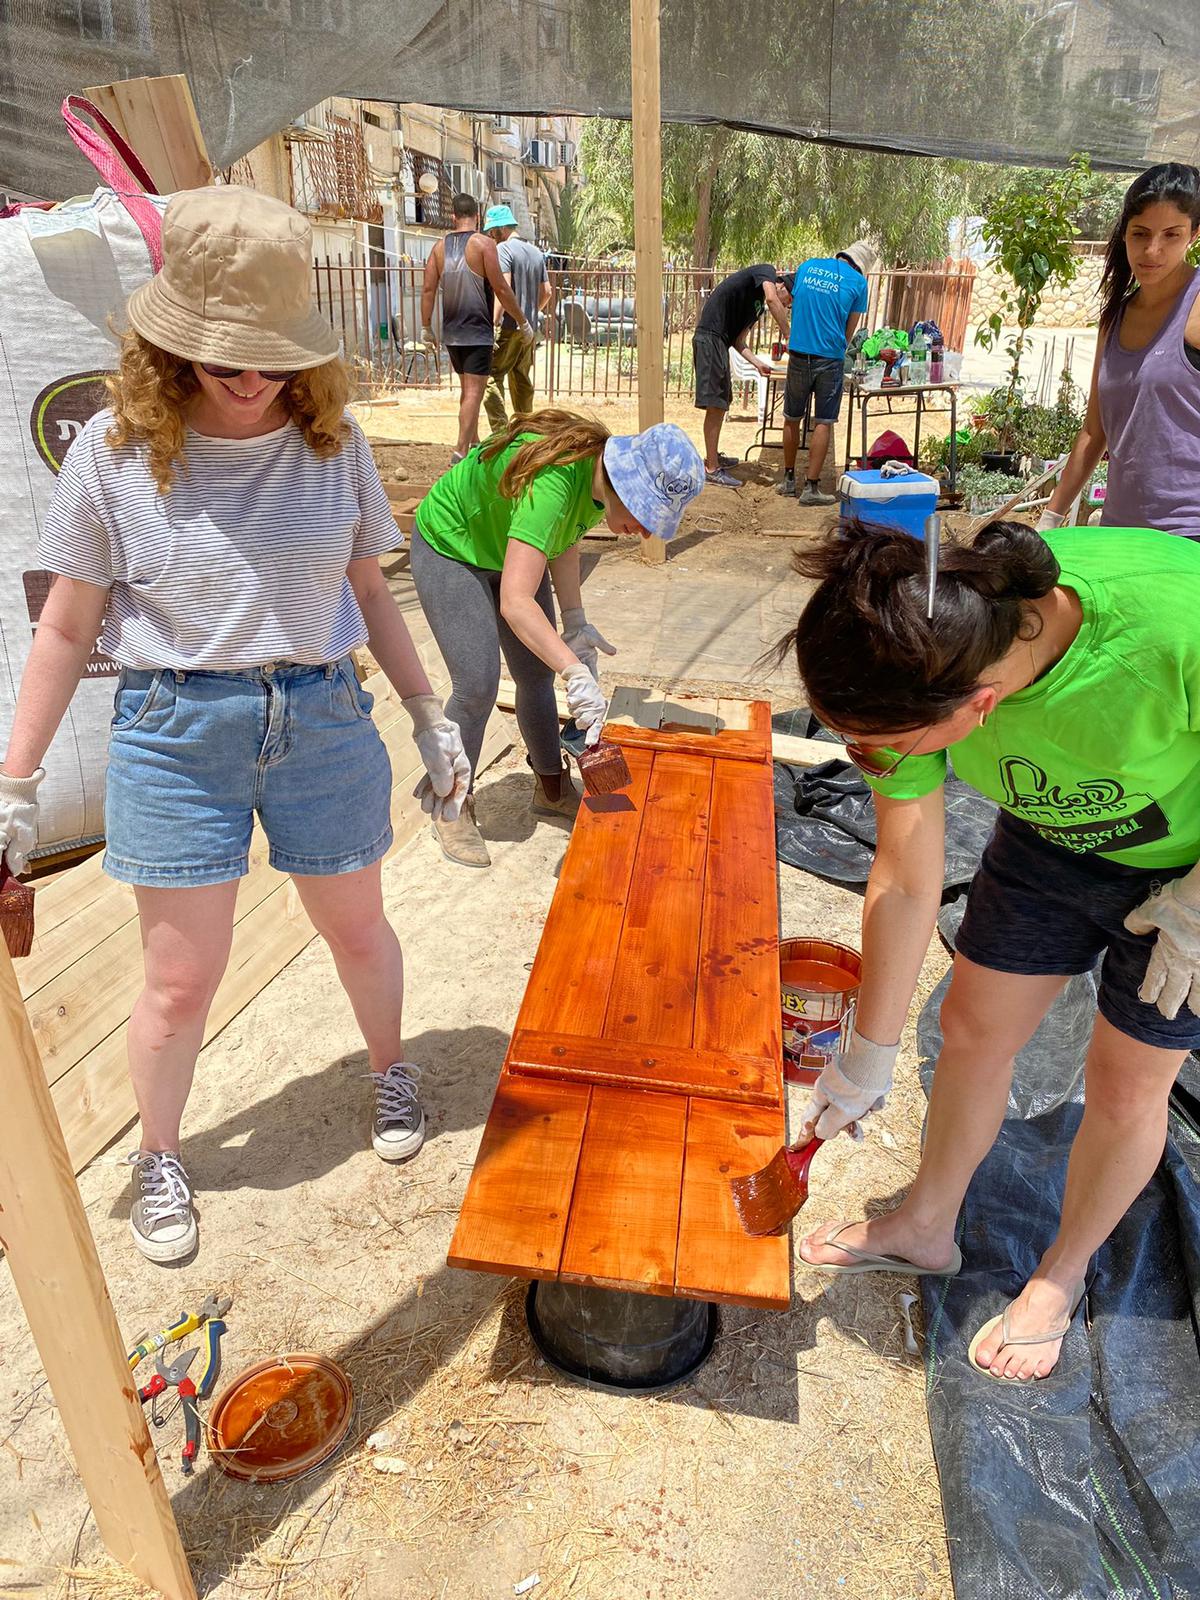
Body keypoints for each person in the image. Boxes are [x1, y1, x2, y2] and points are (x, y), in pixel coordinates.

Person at [0, 187, 472, 1265]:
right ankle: (159, 1152)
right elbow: (69, 628)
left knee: (358, 927)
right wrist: (15, 782)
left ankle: (388, 1066)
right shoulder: (114, 456)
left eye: (272, 354)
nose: (253, 377)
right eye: (226, 356)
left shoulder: (334, 444)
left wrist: (428, 711)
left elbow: (369, 588)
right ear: (173, 345)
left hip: (321, 711)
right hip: (176, 731)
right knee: (178, 977)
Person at [774, 517, 1200, 1383]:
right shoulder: (928, 651)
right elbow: (902, 874)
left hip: (1184, 876)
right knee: (971, 1028)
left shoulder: (1172, 621)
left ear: (981, 708)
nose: (863, 760)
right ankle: (929, 1225)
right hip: (1050, 842)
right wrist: (869, 1052)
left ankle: (1059, 1274)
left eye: (873, 743)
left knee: (1128, 1080)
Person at [410, 409, 704, 867]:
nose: (645, 531)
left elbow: (563, 540)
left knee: (534, 675)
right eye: (646, 514)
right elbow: (516, 602)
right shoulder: (556, 479)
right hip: (452, 547)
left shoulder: (596, 478)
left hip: (501, 551)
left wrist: (575, 621)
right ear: (625, 483)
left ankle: (550, 787)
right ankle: (451, 808)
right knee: (477, 683)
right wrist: (572, 669)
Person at [1040, 162, 1200, 539]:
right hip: (1121, 531)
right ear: (1124, 232)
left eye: (1171, 235)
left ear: (1194, 235)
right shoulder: (1115, 318)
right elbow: (1094, 433)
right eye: (1140, 234)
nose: (1152, 250)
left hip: (1188, 534)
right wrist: (1051, 517)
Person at [421, 194, 535, 464]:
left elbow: (427, 289)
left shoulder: (438, 247)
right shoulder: (483, 244)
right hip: (476, 331)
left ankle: (473, 442)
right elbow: (501, 288)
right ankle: (460, 451)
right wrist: (522, 321)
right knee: (475, 392)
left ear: (453, 217)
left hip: (451, 332)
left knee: (467, 388)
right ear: (478, 216)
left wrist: (426, 327)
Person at [777, 240, 876, 504]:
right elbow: (849, 329)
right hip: (829, 357)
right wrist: (836, 348)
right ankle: (811, 487)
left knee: (791, 417)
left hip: (798, 352)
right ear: (860, 266)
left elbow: (792, 302)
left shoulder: (808, 266)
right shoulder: (858, 283)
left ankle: (787, 480)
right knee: (823, 421)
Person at [692, 264, 792, 486]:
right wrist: (788, 334)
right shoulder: (766, 272)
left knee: (721, 402)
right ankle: (711, 468)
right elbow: (773, 300)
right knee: (715, 403)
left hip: (720, 342)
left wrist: (757, 364)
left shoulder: (754, 308)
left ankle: (714, 457)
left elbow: (738, 341)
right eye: (789, 300)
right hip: (710, 337)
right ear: (781, 286)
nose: (787, 305)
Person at [482, 203, 554, 432]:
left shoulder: (503, 250)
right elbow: (547, 292)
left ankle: (501, 432)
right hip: (528, 329)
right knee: (521, 379)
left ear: (500, 229)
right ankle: (528, 431)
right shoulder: (535, 252)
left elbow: (503, 289)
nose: (491, 237)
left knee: (490, 377)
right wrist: (530, 315)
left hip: (508, 327)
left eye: (491, 232)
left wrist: (493, 324)